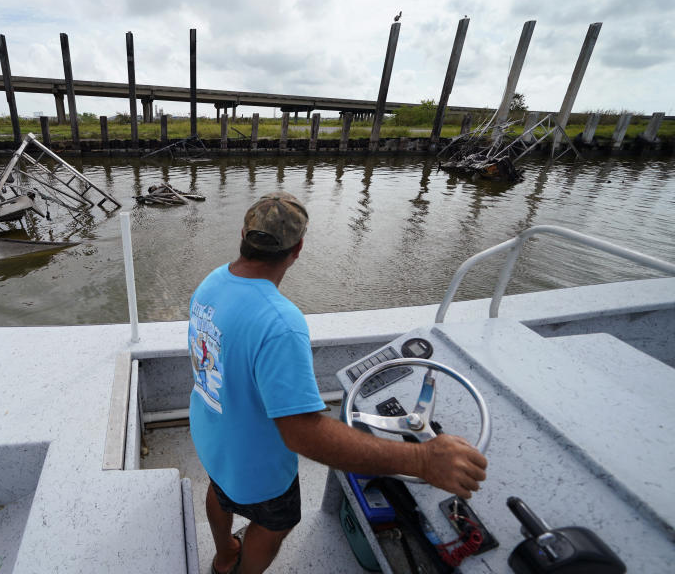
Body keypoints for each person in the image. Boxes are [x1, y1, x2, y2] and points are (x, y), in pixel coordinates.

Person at [188, 191, 488, 574]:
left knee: (221, 492)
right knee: (275, 522)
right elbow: (303, 434)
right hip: (255, 467)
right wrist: (422, 459)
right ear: (297, 249)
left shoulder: (211, 282)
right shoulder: (280, 323)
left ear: (243, 234)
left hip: (211, 438)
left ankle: (224, 556)